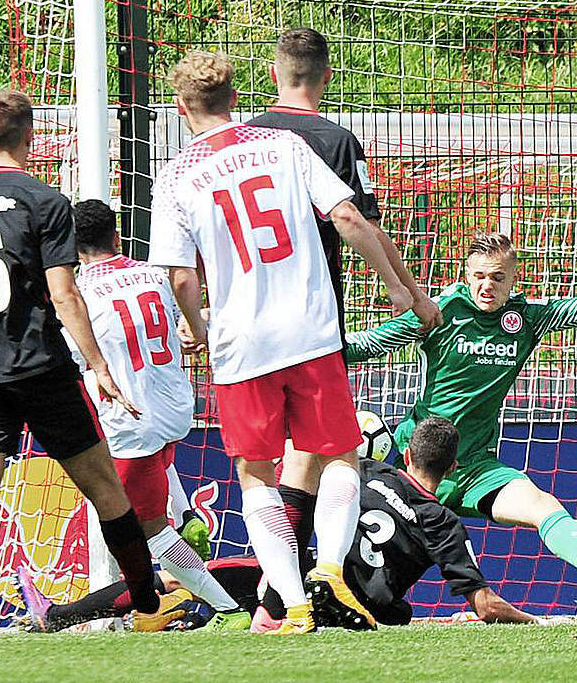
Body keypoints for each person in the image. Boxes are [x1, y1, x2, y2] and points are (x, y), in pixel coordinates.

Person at [149, 51, 421, 634]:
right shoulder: (284, 147)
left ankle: (292, 604)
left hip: (241, 345)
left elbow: (178, 275)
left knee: (256, 474)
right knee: (341, 454)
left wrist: (199, 332)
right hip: (311, 332)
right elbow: (348, 218)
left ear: (181, 107)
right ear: (236, 98)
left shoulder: (175, 175)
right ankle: (329, 569)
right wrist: (398, 287)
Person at [346, 232, 577, 598]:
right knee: (380, 563)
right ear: (466, 276)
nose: (487, 286)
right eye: (479, 276)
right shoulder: (440, 314)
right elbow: (367, 345)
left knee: (541, 505)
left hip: (475, 466)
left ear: (514, 278)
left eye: (498, 277)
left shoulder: (525, 319)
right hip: (418, 464)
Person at [0, 90, 159, 637]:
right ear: (30, 139)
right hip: (42, 369)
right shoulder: (44, 201)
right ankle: (146, 608)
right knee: (105, 490)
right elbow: (65, 295)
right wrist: (99, 367)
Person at [244, 26, 442, 598]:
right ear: (327, 77)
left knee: (265, 464)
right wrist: (410, 291)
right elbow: (360, 222)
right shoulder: (332, 139)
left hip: (246, 324)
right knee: (329, 451)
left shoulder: (242, 140)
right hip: (311, 320)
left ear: (275, 75)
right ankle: (300, 586)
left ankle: (277, 592)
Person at [19, 418, 539, 632]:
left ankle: (61, 617)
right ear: (450, 470)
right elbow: (485, 606)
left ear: (403, 452)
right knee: (198, 579)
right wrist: (536, 621)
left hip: (300, 583)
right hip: (357, 611)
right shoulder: (444, 522)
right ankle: (198, 618)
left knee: (186, 571)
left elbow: (311, 469)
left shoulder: (367, 474)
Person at [62, 198, 248, 630]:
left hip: (132, 420)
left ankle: (226, 609)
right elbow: (181, 318)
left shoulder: (77, 295)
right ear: (117, 235)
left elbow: (75, 357)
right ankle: (185, 518)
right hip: (174, 408)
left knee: (144, 530)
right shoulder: (153, 273)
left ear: (71, 248)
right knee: (145, 509)